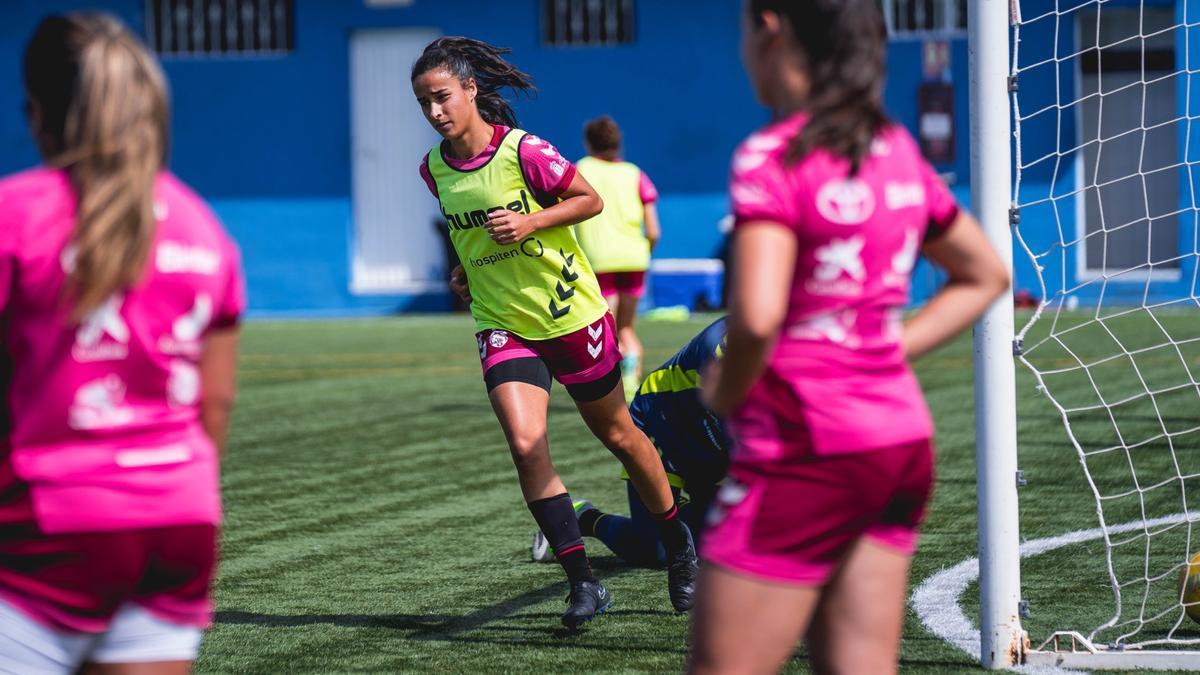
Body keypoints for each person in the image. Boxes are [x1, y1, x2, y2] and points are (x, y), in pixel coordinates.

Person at [688, 2, 1010, 673]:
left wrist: (727, 385)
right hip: (896, 446)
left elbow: (756, 316)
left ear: (770, 30)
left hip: (806, 446)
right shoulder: (892, 148)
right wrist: (884, 348)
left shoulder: (772, 153)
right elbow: (984, 274)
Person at [411, 37, 698, 629]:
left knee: (619, 435)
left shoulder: (523, 151)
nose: (435, 113)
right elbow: (471, 234)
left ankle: (679, 547)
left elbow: (586, 200)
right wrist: (463, 271)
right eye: (424, 104)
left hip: (570, 314)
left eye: (442, 97)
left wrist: (532, 220)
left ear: (470, 91)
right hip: (502, 324)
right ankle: (583, 582)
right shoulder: (434, 169)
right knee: (525, 444)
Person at [0, 13, 244, 674]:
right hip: (179, 524)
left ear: (37, 114)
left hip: (46, 527)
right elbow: (213, 407)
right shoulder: (202, 224)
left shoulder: (15, 215)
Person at [532, 318, 731, 567]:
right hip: (663, 422)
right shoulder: (730, 342)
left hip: (715, 443)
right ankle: (582, 517)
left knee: (722, 547)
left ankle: (687, 513)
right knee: (656, 550)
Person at [573, 116, 662, 399]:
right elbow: (654, 230)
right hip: (634, 259)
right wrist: (644, 252)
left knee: (604, 330)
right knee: (626, 328)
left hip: (599, 261)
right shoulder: (635, 173)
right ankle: (633, 385)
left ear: (589, 143)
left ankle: (608, 392)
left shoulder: (582, 169)